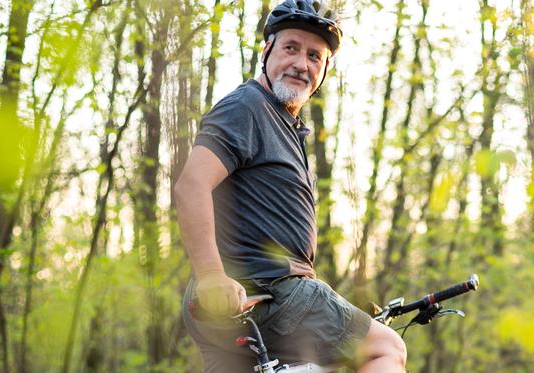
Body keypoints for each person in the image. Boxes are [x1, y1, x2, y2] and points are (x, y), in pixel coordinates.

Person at [173, 1, 406, 372]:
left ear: (325, 69)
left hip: (236, 305)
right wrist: (212, 276)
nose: (302, 64)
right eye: (291, 48)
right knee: (384, 349)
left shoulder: (284, 125)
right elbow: (191, 186)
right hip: (267, 288)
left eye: (315, 56)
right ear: (266, 51)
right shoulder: (248, 106)